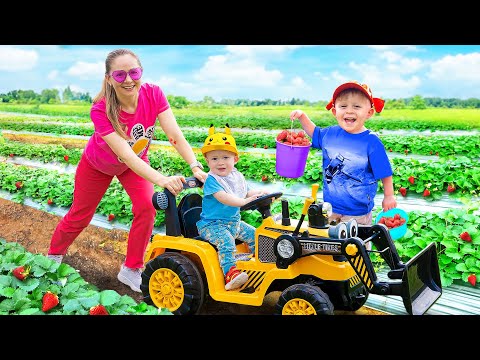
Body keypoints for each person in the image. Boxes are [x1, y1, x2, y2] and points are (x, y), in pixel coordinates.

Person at [46, 48, 208, 293]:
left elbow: (174, 135)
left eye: (134, 72)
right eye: (120, 75)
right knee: (81, 214)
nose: (129, 79)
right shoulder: (100, 109)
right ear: (109, 78)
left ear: (141, 71)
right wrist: (162, 179)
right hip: (98, 165)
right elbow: (126, 155)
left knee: (146, 207)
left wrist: (194, 165)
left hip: (134, 165)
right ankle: (52, 259)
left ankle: (131, 269)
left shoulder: (153, 94)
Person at [289, 81, 397, 232]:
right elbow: (314, 132)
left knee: (356, 247)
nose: (349, 111)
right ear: (334, 111)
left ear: (369, 113)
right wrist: (302, 116)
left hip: (358, 212)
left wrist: (389, 196)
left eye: (357, 106)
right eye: (343, 106)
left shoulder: (371, 141)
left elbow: (384, 171)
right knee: (330, 244)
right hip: (330, 207)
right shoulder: (329, 134)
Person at [196, 124, 268, 291]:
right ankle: (231, 273)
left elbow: (246, 191)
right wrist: (243, 202)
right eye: (214, 159)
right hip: (212, 225)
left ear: (235, 159)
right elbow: (224, 197)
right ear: (207, 161)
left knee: (255, 234)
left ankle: (259, 262)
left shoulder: (236, 176)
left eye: (225, 158)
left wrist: (260, 192)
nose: (220, 162)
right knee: (227, 242)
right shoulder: (212, 180)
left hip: (233, 223)